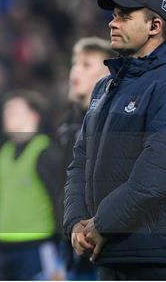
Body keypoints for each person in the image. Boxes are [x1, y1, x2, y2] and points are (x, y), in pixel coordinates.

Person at [63, 0, 166, 280]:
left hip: (157, 258)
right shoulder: (106, 86)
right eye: (114, 15)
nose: (112, 23)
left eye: (124, 16)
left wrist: (102, 223)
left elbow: (157, 171)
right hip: (109, 253)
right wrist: (77, 223)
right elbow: (79, 162)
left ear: (155, 25)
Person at [55, 37, 115, 280]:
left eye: (86, 65)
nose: (75, 71)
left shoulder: (115, 120)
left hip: (102, 244)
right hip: (70, 245)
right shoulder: (65, 126)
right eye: (74, 63)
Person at [0, 90, 63, 280]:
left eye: (14, 111)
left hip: (37, 245)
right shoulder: (3, 152)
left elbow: (60, 200)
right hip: (4, 245)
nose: (6, 116)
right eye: (5, 111)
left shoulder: (44, 151)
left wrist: (62, 251)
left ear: (33, 116)